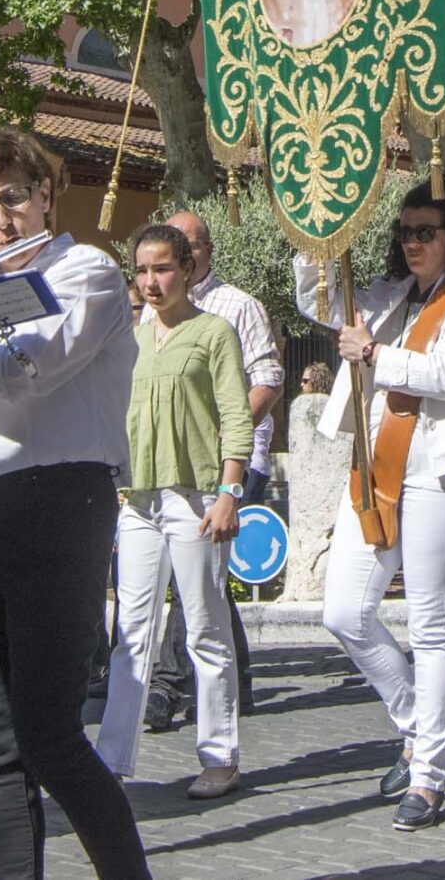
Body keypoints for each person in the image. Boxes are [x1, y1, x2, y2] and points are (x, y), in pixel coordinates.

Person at [0, 126, 147, 878]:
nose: (0, 221)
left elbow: (21, 371)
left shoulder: (87, 271)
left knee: (51, 737)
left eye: (12, 198)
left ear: (45, 194)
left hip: (55, 501)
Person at [302, 176, 445, 832]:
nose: (412, 242)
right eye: (405, 231)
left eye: (426, 231)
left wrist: (373, 353)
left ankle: (428, 774)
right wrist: (313, 232)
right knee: (344, 612)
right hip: (375, 464)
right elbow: (317, 300)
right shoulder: (387, 295)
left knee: (430, 624)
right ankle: (416, 724)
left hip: (437, 473)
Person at [95, 223, 251, 798]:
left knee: (205, 630)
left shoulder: (213, 332)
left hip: (196, 497)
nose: (150, 281)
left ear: (187, 268)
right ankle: (111, 760)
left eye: (161, 268)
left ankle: (219, 758)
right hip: (138, 501)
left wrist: (230, 492)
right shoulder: (130, 339)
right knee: (130, 633)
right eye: (141, 270)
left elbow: (236, 414)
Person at [145, 208, 278, 730]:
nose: (179, 255)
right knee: (205, 577)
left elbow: (268, 378)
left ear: (206, 252)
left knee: (194, 573)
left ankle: (166, 684)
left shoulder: (237, 307)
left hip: (231, 462)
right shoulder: (152, 311)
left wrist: (227, 440)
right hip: (170, 463)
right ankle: (235, 682)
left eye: (189, 246)